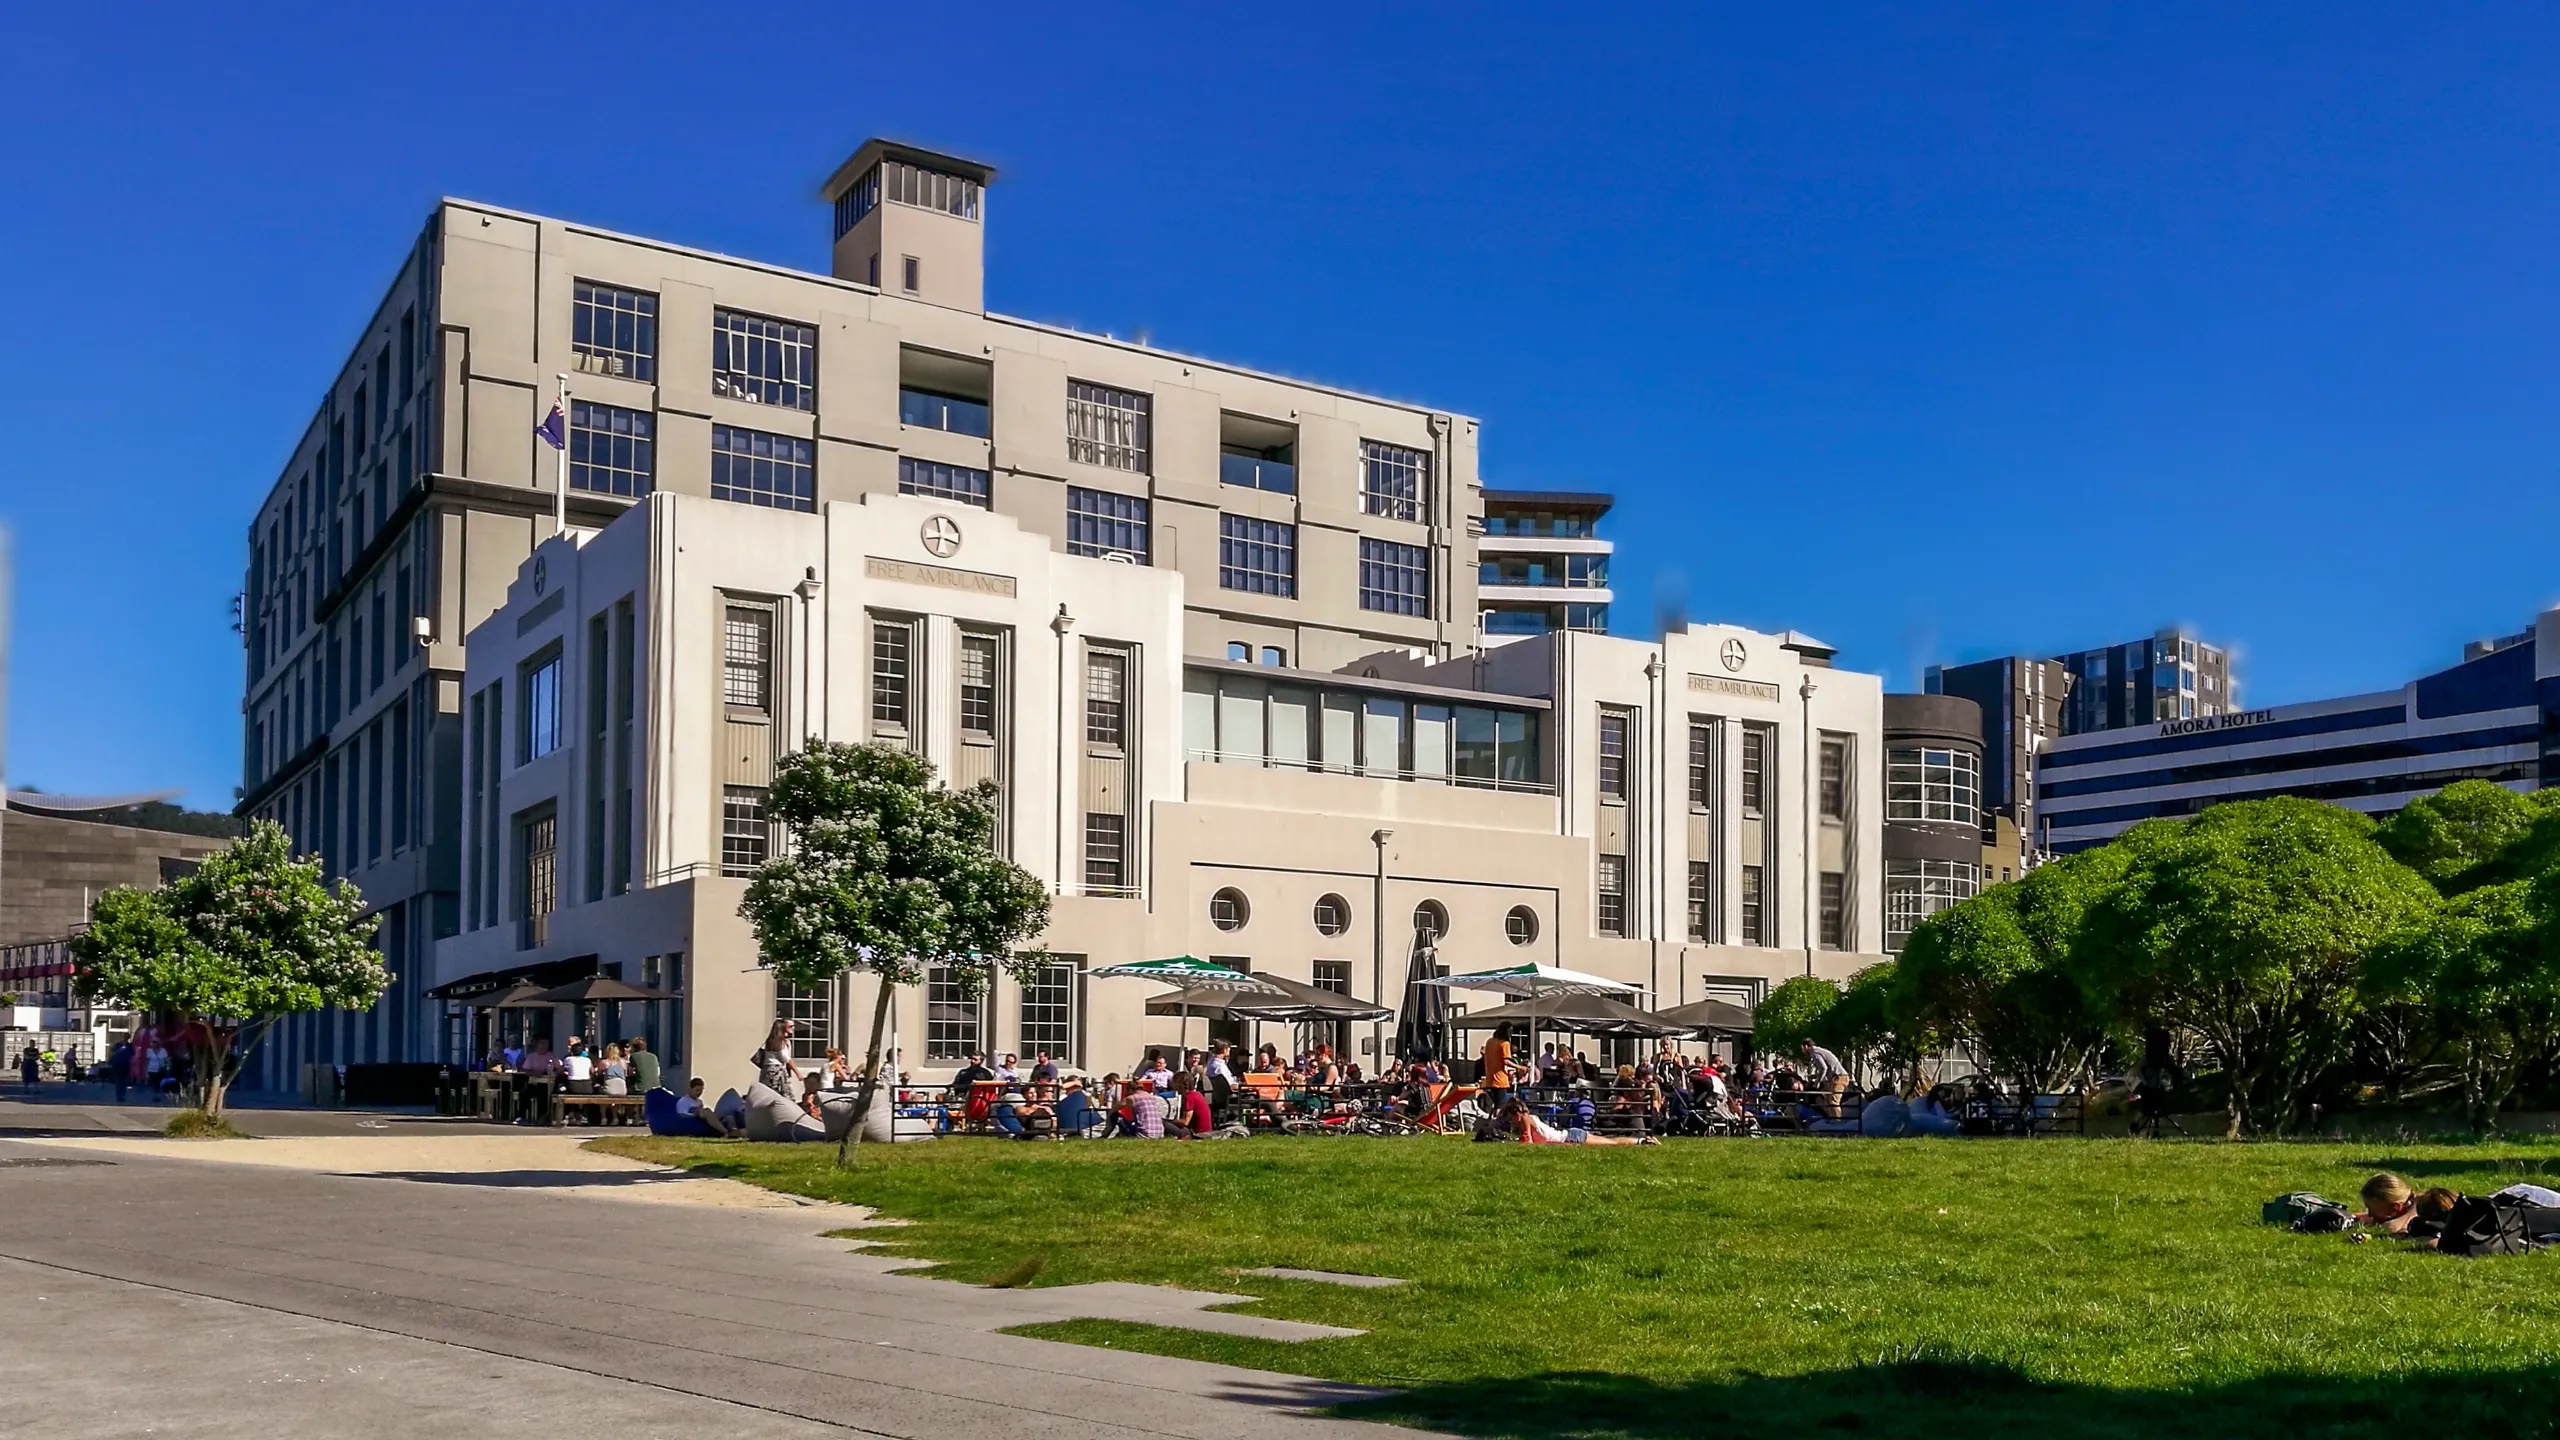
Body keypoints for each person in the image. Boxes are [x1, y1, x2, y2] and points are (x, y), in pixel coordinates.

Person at [1502, 1096, 1657, 1146]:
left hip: (1570, 1138)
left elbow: (1527, 1143)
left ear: (1516, 1114)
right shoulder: (1530, 1117)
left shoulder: (1526, 1119)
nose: (1511, 1121)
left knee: (1611, 1144)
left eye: (1511, 1117)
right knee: (1611, 1142)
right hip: (1570, 1135)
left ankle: (1643, 1142)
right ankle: (1642, 1142)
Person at [753, 1020, 798, 1095]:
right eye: (790, 1026)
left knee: (767, 1093)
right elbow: (786, 1058)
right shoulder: (779, 1042)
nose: (793, 1028)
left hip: (766, 1070)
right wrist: (797, 1072)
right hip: (776, 1072)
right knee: (780, 1095)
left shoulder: (771, 1041)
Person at [1481, 1023, 1519, 1101]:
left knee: (1492, 1105)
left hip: (1489, 1079)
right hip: (1500, 1080)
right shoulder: (1505, 1044)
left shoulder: (1490, 1041)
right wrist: (1520, 1067)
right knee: (1500, 1105)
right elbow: (1506, 1061)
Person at [1172, 1072, 1214, 1138]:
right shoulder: (1197, 1094)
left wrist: (1172, 1121)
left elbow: (1185, 1122)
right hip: (1207, 1131)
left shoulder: (1189, 1097)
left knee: (1165, 1124)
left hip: (1199, 1133)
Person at [109, 1038, 134, 1105]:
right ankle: (120, 1095)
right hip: (120, 1064)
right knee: (120, 1080)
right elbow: (113, 1052)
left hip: (124, 1064)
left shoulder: (129, 1046)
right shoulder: (119, 1045)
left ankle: (121, 1095)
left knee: (122, 1081)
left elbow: (132, 1054)